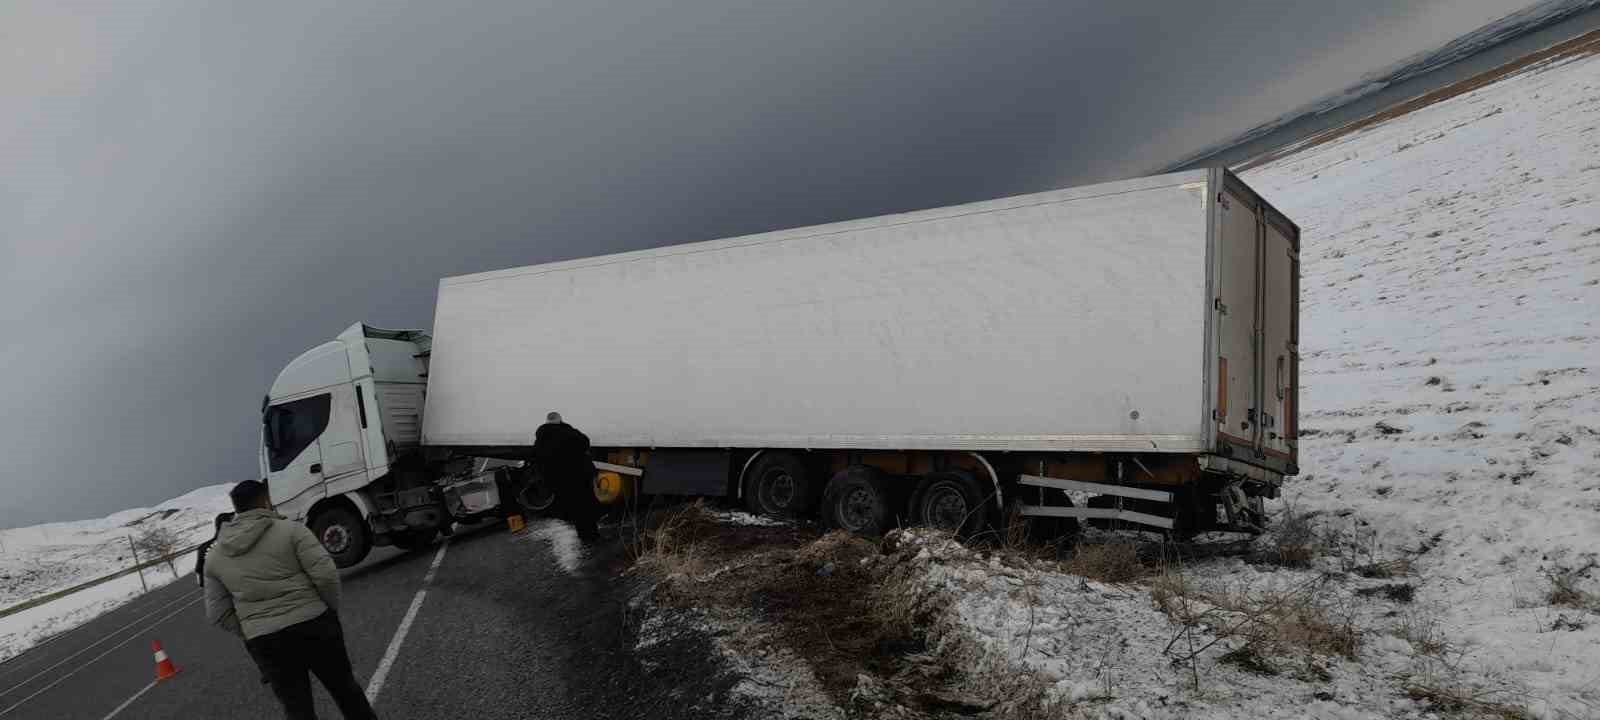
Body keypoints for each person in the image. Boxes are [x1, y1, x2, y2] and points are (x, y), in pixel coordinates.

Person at [203, 480, 378, 720]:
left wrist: (250, 630)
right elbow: (325, 575)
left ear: (237, 507)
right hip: (315, 624)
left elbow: (217, 613)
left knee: (297, 708)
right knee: (346, 690)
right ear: (265, 501)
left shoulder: (214, 557)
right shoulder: (291, 531)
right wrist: (328, 608)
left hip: (266, 641)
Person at [196, 511, 268, 685]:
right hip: (243, 594)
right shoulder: (236, 542)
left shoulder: (203, 548)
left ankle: (265, 669)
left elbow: (200, 581)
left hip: (223, 602)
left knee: (248, 636)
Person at [533, 411, 601, 540]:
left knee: (574, 508)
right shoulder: (568, 432)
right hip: (577, 477)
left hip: (559, 481)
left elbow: (538, 459)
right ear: (560, 420)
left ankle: (583, 536)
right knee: (585, 507)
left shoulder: (540, 438)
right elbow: (585, 441)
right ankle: (592, 536)